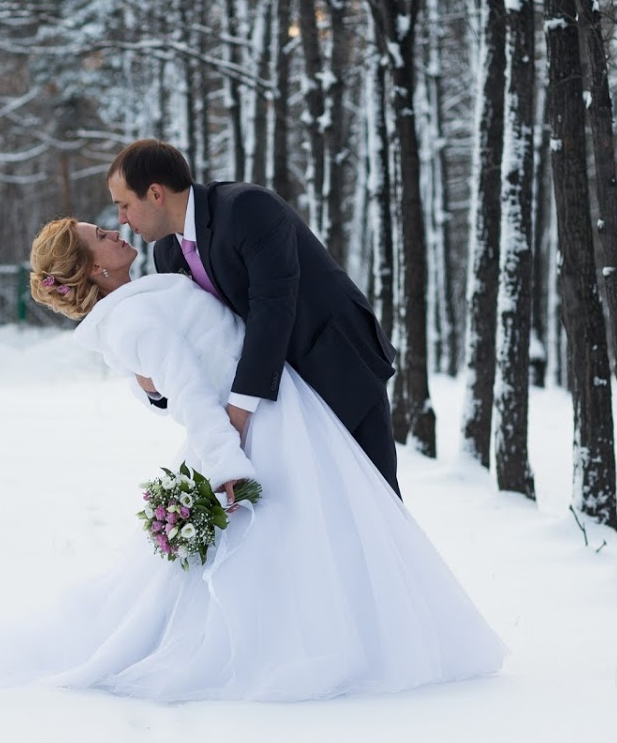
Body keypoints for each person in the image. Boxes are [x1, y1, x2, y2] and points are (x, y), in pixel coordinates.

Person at [0, 218, 503, 702]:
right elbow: (190, 395)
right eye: (100, 235)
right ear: (94, 270)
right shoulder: (132, 320)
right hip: (250, 427)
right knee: (294, 536)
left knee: (321, 531)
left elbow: (168, 380)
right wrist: (226, 467)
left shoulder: (140, 299)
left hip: (272, 404)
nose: (115, 230)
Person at [107, 139, 401, 496]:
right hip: (278, 402)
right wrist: (156, 387)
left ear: (155, 193)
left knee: (374, 500)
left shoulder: (246, 208)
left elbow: (272, 307)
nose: (121, 219)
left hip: (336, 367)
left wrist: (239, 412)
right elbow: (201, 337)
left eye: (125, 205)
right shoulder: (168, 253)